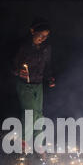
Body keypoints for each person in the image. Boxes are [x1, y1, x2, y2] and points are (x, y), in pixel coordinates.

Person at [12, 18, 56, 152]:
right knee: (30, 113)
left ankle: (38, 141)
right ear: (32, 31)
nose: (43, 38)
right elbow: (12, 65)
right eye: (41, 35)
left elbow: (47, 66)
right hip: (25, 85)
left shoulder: (46, 48)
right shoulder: (23, 47)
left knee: (39, 113)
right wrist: (18, 71)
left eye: (46, 36)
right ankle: (23, 140)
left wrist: (50, 78)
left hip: (38, 84)